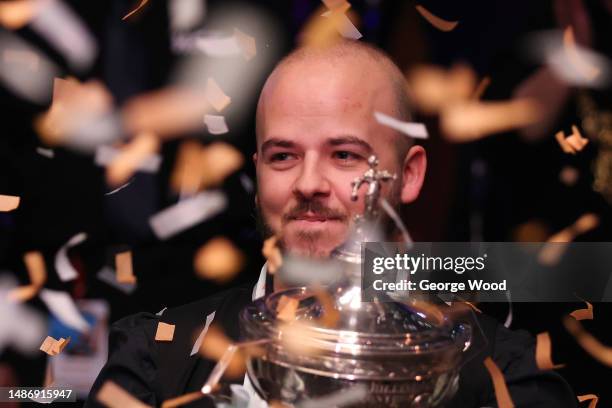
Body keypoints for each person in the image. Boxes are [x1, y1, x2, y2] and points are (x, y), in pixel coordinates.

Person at [85, 41, 577, 407]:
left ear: (409, 175)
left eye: (344, 155)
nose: (308, 183)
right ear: (256, 172)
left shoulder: (501, 374)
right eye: (283, 156)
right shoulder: (157, 358)